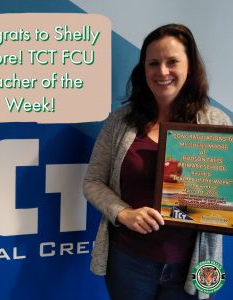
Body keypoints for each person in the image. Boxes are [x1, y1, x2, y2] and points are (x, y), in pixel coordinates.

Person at [83, 23, 231, 300]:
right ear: (144, 70)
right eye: (153, 63)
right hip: (129, 261)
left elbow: (224, 194)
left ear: (190, 66)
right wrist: (123, 212)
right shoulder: (120, 122)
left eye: (172, 61)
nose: (162, 71)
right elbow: (92, 181)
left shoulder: (217, 124)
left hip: (192, 265)